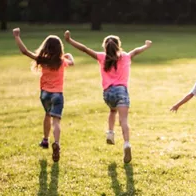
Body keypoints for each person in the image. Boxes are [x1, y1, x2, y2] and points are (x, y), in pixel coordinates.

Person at [64, 30, 151, 163]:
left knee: (112, 110)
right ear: (118, 46)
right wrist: (146, 45)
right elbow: (136, 51)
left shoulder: (101, 57)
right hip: (121, 91)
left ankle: (110, 133)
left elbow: (84, 49)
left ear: (105, 47)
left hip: (108, 93)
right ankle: (126, 143)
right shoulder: (126, 56)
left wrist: (69, 40)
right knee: (124, 120)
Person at [13, 28, 75, 162]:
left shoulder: (42, 60)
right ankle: (56, 143)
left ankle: (45, 140)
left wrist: (17, 36)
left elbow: (24, 51)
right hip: (57, 95)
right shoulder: (61, 61)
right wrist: (69, 56)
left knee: (47, 115)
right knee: (56, 120)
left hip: (45, 94)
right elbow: (72, 62)